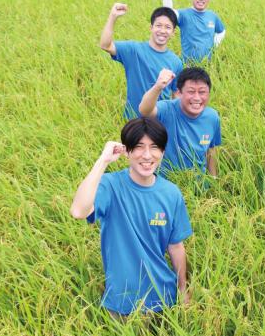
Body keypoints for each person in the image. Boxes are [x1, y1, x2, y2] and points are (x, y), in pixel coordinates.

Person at [70, 117, 193, 319]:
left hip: (162, 299)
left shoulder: (171, 193)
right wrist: (103, 161)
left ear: (162, 152)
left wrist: (182, 289)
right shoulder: (110, 186)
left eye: (154, 147)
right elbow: (78, 211)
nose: (147, 155)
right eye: (138, 147)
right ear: (127, 152)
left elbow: (176, 246)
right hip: (121, 301)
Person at [99, 3, 184, 118]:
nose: (163, 31)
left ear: (173, 32)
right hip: (133, 119)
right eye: (158, 25)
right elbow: (105, 45)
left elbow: (176, 96)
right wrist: (113, 17)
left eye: (168, 27)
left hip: (159, 121)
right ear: (151, 27)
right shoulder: (133, 50)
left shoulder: (176, 62)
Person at [139, 66, 221, 177]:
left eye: (202, 92)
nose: (197, 98)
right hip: (167, 181)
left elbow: (211, 150)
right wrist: (158, 87)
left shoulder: (212, 117)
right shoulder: (167, 109)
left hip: (198, 184)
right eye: (191, 92)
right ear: (179, 93)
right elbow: (145, 110)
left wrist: (213, 178)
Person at [162, 0, 226, 63]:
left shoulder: (212, 16)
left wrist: (214, 45)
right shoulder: (183, 14)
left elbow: (221, 31)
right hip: (188, 65)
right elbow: (167, 11)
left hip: (208, 64)